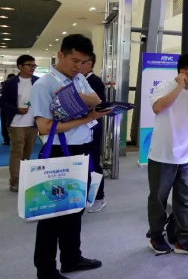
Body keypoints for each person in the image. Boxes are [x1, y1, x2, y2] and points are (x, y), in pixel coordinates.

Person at [31, 34, 109, 279]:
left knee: (75, 207)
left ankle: (71, 257)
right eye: (75, 61)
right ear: (60, 55)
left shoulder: (78, 79)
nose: (79, 67)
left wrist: (76, 99)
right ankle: (45, 270)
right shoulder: (44, 85)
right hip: (58, 153)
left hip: (81, 150)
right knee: (53, 214)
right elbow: (44, 127)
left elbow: (96, 99)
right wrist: (87, 116)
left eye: (83, 62)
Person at [146, 53, 188, 255]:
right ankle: (155, 236)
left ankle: (183, 239)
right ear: (183, 72)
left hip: (187, 155)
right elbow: (158, 108)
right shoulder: (165, 86)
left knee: (185, 198)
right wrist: (179, 86)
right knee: (159, 199)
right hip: (163, 154)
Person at [0, 56, 39, 192]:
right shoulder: (9, 83)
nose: (32, 68)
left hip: (33, 123)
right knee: (17, 151)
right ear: (20, 66)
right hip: (16, 123)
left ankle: (24, 177)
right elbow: (3, 102)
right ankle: (14, 181)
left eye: (34, 66)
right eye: (29, 65)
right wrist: (16, 110)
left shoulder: (38, 82)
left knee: (27, 152)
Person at [81, 53, 108, 213]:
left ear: (90, 64)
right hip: (80, 128)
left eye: (82, 62)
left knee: (93, 162)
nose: (78, 66)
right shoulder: (78, 80)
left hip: (93, 126)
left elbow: (100, 104)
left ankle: (99, 197)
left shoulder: (94, 81)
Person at [1, 73, 16, 145]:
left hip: (13, 109)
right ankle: (7, 138)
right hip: (6, 109)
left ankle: (7, 139)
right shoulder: (4, 85)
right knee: (6, 124)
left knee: (9, 124)